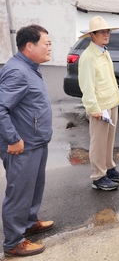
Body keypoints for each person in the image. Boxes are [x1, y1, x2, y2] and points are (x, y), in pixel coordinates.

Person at [0, 25, 54, 257]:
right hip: (21, 146)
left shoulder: (30, 67)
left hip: (36, 141)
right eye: (46, 43)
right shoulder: (17, 71)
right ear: (29, 46)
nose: (50, 47)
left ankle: (29, 223)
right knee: (19, 193)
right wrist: (13, 140)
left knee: (33, 188)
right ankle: (13, 242)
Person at [78, 16, 119, 191]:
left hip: (111, 102)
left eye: (107, 31)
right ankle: (98, 176)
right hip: (100, 107)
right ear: (92, 34)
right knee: (98, 142)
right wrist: (94, 108)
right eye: (102, 32)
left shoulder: (104, 52)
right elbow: (87, 85)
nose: (106, 34)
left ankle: (109, 168)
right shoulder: (88, 57)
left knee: (109, 140)